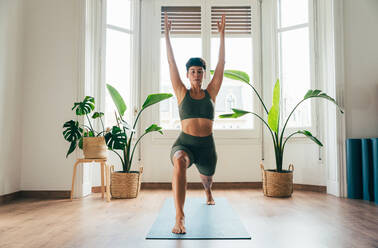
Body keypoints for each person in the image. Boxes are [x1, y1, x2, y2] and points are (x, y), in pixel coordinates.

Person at [164, 12, 226, 234]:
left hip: (207, 146)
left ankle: (208, 191)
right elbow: (171, 62)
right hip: (185, 143)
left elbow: (221, 63)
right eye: (193, 72)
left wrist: (222, 34)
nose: (197, 75)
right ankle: (179, 217)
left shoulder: (212, 92)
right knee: (179, 161)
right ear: (188, 75)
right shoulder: (181, 92)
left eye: (200, 71)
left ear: (204, 74)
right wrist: (167, 35)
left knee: (207, 178)